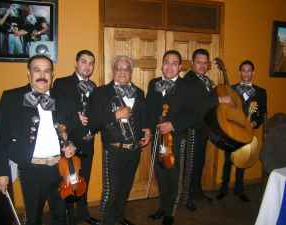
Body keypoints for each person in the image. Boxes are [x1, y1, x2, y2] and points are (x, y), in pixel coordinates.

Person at [0, 54, 79, 225]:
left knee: (61, 216)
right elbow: (1, 138)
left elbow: (73, 128)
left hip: (60, 168)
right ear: (29, 74)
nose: (42, 75)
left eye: (47, 71)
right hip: (31, 169)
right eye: (37, 70)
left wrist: (71, 144)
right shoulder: (11, 98)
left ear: (52, 75)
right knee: (33, 218)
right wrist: (1, 172)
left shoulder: (64, 98)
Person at [147, 50, 211, 225]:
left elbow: (195, 114)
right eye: (166, 62)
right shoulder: (153, 83)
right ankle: (162, 206)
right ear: (162, 64)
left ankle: (170, 213)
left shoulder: (188, 86)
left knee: (174, 177)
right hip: (157, 139)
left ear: (180, 67)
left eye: (174, 63)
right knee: (161, 175)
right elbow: (149, 109)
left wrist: (173, 124)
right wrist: (149, 129)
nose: (169, 66)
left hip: (177, 140)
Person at [90, 55, 150, 225]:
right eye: (119, 68)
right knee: (112, 192)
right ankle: (108, 221)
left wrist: (146, 130)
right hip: (114, 150)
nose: (122, 72)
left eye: (126, 69)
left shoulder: (139, 92)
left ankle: (118, 218)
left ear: (131, 72)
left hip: (134, 149)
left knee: (125, 189)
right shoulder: (101, 92)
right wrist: (115, 115)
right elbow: (93, 122)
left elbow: (143, 116)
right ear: (113, 71)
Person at [182, 48, 232, 211]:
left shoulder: (205, 80)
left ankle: (196, 192)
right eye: (199, 62)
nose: (202, 66)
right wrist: (220, 99)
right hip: (191, 129)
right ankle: (186, 197)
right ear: (192, 63)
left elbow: (208, 103)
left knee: (199, 163)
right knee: (189, 165)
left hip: (202, 129)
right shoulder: (188, 80)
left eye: (205, 63)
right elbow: (196, 104)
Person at [53, 50, 98, 225]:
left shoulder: (94, 87)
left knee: (83, 178)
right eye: (84, 61)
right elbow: (55, 112)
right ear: (76, 63)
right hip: (69, 142)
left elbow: (96, 112)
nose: (87, 66)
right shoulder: (61, 83)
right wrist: (74, 116)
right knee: (68, 180)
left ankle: (83, 213)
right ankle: (69, 216)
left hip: (88, 142)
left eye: (91, 63)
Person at [217, 60, 267, 202]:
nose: (246, 73)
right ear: (240, 72)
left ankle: (239, 189)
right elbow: (224, 110)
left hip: (247, 131)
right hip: (232, 131)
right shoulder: (231, 89)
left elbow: (262, 112)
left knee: (242, 160)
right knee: (228, 160)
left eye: (249, 70)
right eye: (243, 70)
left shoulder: (261, 92)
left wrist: (254, 122)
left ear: (253, 73)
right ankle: (223, 188)